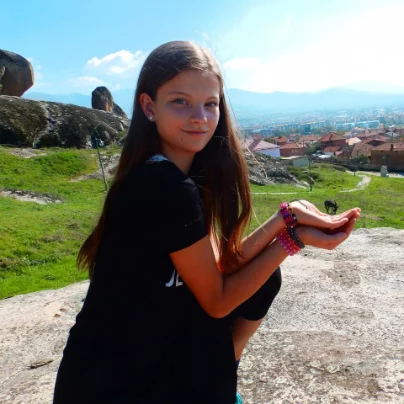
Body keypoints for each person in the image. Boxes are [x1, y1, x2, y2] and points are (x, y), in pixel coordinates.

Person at [53, 41, 360, 404]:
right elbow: (217, 301)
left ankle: (223, 372)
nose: (200, 117)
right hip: (115, 385)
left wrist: (287, 217)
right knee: (251, 282)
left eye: (210, 104)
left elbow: (222, 266)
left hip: (140, 367)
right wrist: (293, 240)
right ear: (149, 107)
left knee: (262, 278)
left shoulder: (179, 176)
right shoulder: (164, 185)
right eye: (180, 101)